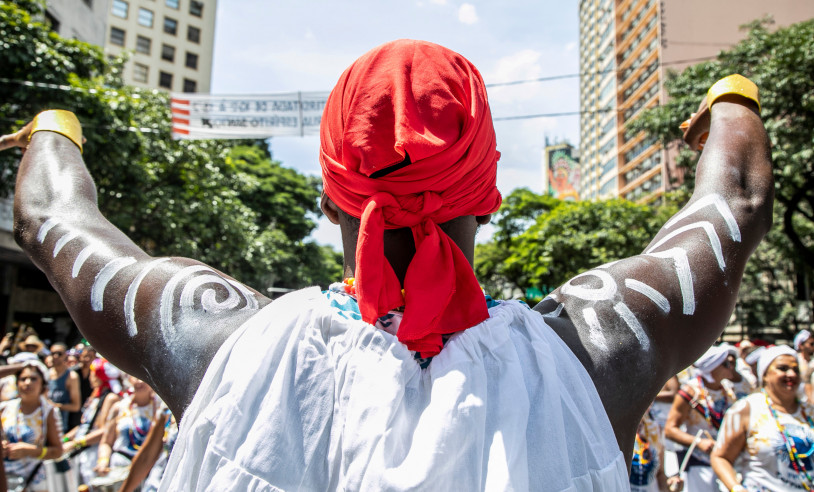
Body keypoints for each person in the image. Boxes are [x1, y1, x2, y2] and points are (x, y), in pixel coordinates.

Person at [0, 40, 774, 490]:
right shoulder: (596, 349)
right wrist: (731, 99)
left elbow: (54, 220)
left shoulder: (221, 342)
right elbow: (730, 208)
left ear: (332, 198)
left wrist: (55, 127)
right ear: (489, 194)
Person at [711, 345, 814, 491]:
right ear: (765, 374)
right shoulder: (747, 409)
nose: (791, 374)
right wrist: (736, 488)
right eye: (783, 368)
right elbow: (720, 457)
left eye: (796, 370)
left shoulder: (809, 412)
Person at [664, 344, 738, 491]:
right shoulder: (690, 391)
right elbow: (670, 430)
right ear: (712, 367)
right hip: (699, 465)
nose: (731, 367)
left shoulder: (729, 391)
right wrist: (698, 442)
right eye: (726, 364)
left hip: (727, 462)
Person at [0, 360, 64, 491]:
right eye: (23, 379)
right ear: (17, 383)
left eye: (33, 379)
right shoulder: (4, 408)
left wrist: (30, 451)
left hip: (34, 481)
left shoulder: (49, 411)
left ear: (43, 384)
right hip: (5, 479)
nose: (27, 383)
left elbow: (58, 451)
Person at [62, 358, 122, 486]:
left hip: (94, 453)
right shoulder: (95, 396)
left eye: (92, 373)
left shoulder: (111, 398)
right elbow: (84, 425)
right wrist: (65, 440)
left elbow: (104, 430)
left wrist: (75, 443)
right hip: (82, 452)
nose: (90, 377)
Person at [93, 376, 159, 478]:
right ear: (129, 379)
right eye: (136, 376)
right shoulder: (119, 408)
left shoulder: (161, 409)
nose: (140, 381)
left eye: (144, 377)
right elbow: (106, 442)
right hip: (121, 469)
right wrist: (103, 462)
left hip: (152, 471)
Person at [46, 343, 81, 433]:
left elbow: (76, 406)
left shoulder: (71, 377)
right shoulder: (45, 374)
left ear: (65, 355)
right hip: (42, 424)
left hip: (59, 427)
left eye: (59, 353)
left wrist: (55, 406)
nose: (55, 356)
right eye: (53, 353)